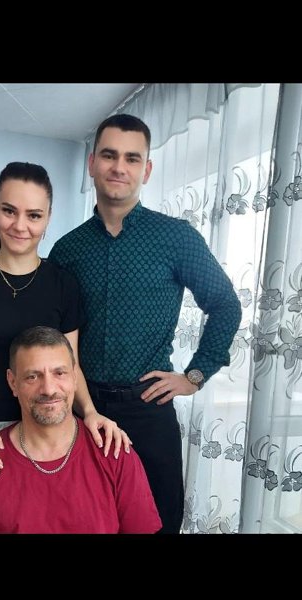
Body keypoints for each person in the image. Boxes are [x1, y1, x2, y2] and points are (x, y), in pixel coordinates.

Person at [48, 114, 242, 534]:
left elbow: (225, 305)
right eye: (109, 155)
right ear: (92, 163)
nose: (119, 166)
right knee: (83, 520)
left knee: (159, 522)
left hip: (148, 410)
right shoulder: (67, 250)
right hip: (83, 409)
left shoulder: (176, 238)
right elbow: (52, 335)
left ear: (146, 169)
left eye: (132, 158)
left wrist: (195, 375)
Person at [0, 162, 130, 502]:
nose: (20, 226)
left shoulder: (63, 284)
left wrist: (90, 411)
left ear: (47, 219)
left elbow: (70, 365)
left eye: (34, 215)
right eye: (9, 211)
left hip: (42, 434)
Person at [0, 326, 162, 534]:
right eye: (33, 377)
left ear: (75, 377)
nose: (49, 389)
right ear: (13, 382)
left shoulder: (114, 452)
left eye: (59, 373)